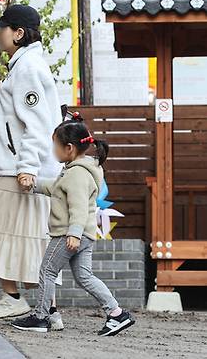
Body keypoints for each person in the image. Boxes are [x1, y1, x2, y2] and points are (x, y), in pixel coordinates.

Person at [0, 4, 64, 329]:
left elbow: (36, 123)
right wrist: (0, 91)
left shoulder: (27, 68)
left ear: (18, 33)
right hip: (23, 167)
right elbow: (20, 116)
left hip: (21, 170)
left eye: (2, 28)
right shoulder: (24, 65)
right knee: (28, 237)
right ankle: (47, 311)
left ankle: (13, 298)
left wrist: (27, 167)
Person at [12, 116, 135, 336]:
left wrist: (74, 233)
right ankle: (116, 313)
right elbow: (57, 188)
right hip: (83, 234)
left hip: (68, 233)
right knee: (84, 276)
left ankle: (41, 317)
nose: (53, 151)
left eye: (55, 147)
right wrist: (34, 185)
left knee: (47, 271)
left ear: (69, 148)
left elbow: (77, 206)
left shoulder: (77, 173)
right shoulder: (77, 169)